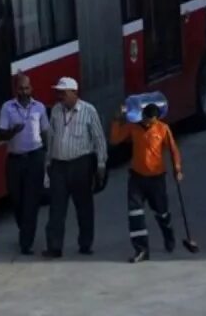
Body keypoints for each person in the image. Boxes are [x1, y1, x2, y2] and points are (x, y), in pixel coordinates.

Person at [43, 77, 108, 258]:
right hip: (59, 165)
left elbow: (99, 139)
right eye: (58, 92)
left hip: (80, 164)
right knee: (56, 208)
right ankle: (54, 246)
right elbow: (51, 138)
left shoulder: (88, 111)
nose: (59, 96)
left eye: (63, 93)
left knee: (84, 207)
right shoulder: (56, 111)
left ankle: (85, 243)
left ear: (74, 93)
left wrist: (101, 164)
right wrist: (48, 162)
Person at [110, 104, 183, 262]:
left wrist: (177, 169)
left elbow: (173, 150)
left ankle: (168, 235)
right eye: (148, 121)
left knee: (162, 212)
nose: (150, 124)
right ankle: (141, 250)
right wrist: (117, 120)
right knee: (135, 214)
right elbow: (115, 139)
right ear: (143, 116)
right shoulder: (133, 128)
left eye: (153, 122)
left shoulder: (163, 129)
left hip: (157, 179)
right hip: (137, 178)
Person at [0, 73, 49, 255]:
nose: (24, 92)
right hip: (15, 160)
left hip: (35, 157)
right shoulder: (7, 108)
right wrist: (13, 131)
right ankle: (24, 229)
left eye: (27, 88)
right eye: (21, 88)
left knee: (31, 201)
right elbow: (1, 134)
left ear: (32, 88)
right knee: (17, 200)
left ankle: (26, 242)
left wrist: (48, 156)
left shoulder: (40, 108)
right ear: (16, 90)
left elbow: (45, 132)